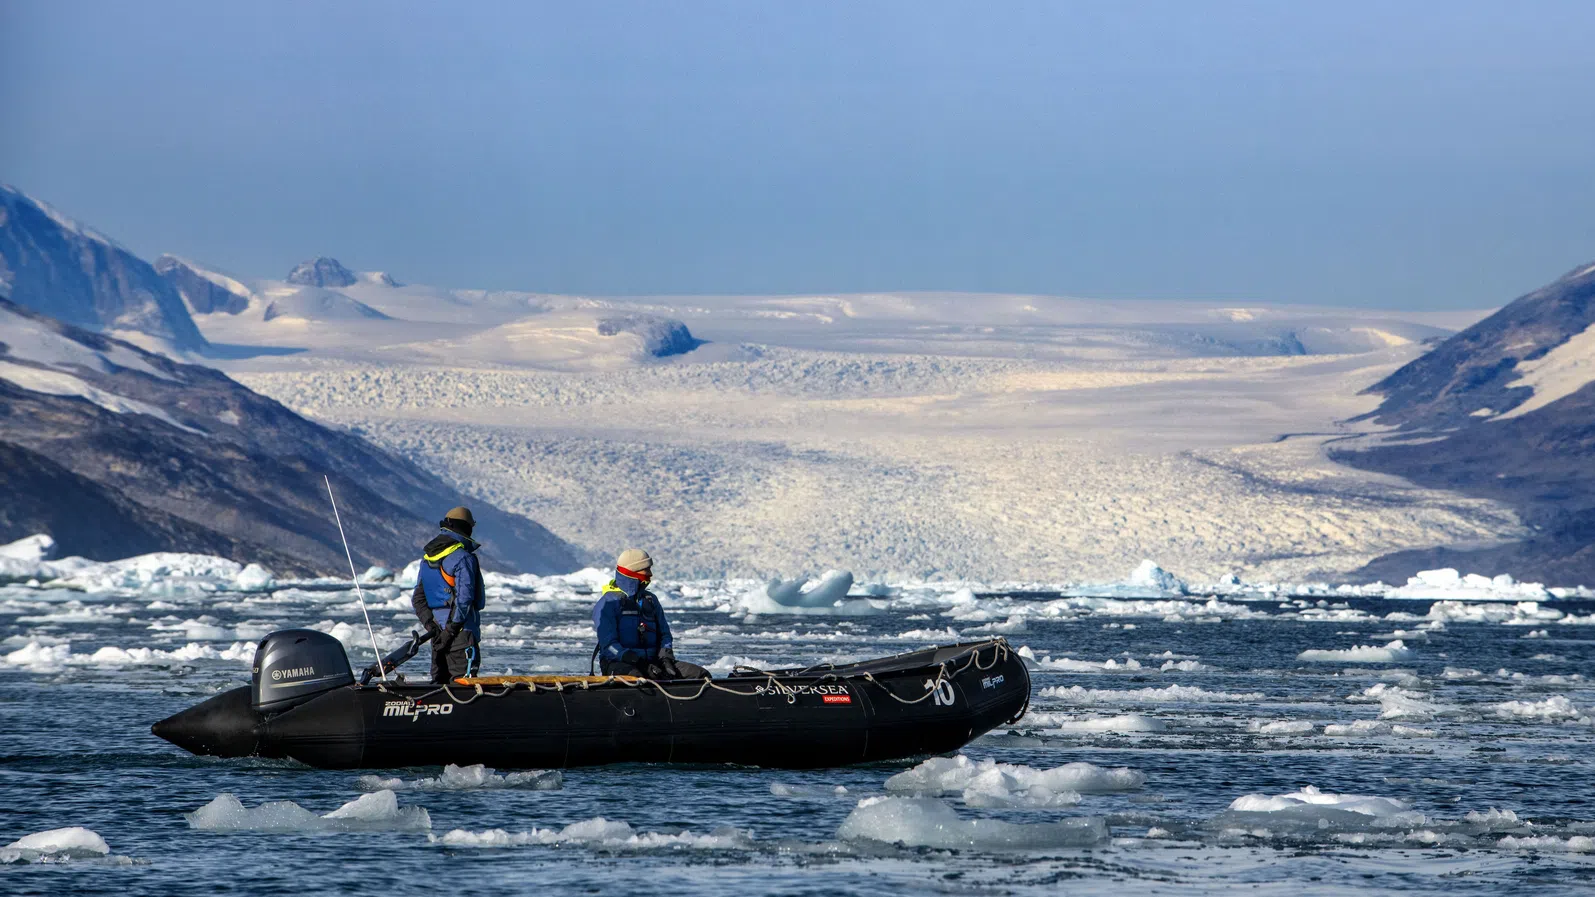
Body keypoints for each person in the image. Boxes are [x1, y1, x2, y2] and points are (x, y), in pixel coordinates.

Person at [592, 548, 709, 680]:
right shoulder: (607, 604)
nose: (651, 574)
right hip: (619, 663)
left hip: (654, 662)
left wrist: (665, 657)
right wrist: (635, 660)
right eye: (646, 569)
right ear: (633, 571)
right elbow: (608, 646)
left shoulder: (651, 600)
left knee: (700, 675)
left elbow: (664, 634)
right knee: (637, 679)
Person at [411, 506, 486, 683]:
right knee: (463, 688)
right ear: (466, 527)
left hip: (437, 635)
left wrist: (432, 627)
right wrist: (450, 631)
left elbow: (418, 599)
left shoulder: (428, 558)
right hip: (460, 634)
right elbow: (464, 599)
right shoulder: (463, 557)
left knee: (439, 685)